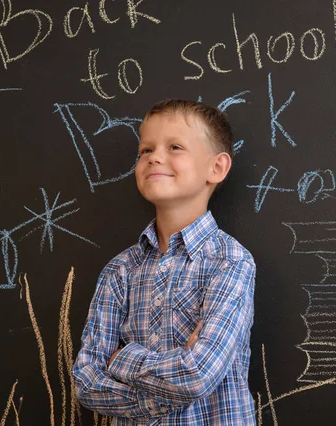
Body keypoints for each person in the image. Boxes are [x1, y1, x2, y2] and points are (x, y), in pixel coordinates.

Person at [73, 99, 256, 425]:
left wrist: (122, 359)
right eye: (145, 150)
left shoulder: (230, 262)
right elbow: (86, 382)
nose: (155, 156)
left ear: (216, 168)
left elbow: (198, 374)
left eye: (175, 147)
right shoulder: (120, 271)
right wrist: (163, 397)